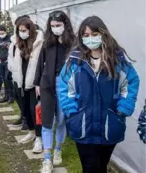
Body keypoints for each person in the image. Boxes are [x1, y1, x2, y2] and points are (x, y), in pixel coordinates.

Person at [58, 16, 140, 173]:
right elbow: (64, 87)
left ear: (103, 34)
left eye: (94, 34)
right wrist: (71, 111)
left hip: (110, 124)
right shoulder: (75, 61)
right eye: (86, 35)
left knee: (101, 166)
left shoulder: (117, 60)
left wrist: (123, 108)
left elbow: (131, 83)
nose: (90, 39)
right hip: (83, 124)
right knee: (89, 168)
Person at [34, 10, 75, 173]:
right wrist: (37, 82)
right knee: (47, 121)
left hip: (65, 85)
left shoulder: (73, 43)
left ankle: (58, 149)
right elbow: (39, 62)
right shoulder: (47, 42)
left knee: (62, 120)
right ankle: (46, 159)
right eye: (52, 26)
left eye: (58, 25)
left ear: (65, 25)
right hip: (48, 83)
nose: (55, 28)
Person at [12, 17, 44, 152]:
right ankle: (31, 132)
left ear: (30, 30)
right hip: (21, 81)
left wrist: (40, 82)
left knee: (34, 110)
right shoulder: (18, 43)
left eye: (24, 30)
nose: (22, 33)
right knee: (25, 110)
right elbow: (14, 61)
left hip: (34, 83)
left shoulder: (40, 43)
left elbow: (42, 64)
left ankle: (39, 138)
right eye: (19, 30)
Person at [8, 15, 28, 130]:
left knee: (24, 97)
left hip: (24, 73)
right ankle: (23, 115)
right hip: (15, 72)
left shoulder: (28, 40)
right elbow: (12, 54)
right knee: (17, 95)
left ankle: (27, 120)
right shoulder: (14, 40)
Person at [0, 25, 14, 104]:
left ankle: (11, 97)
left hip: (9, 61)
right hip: (1, 62)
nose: (1, 34)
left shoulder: (10, 38)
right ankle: (6, 96)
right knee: (4, 79)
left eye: (2, 33)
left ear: (5, 31)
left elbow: (14, 49)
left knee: (8, 79)